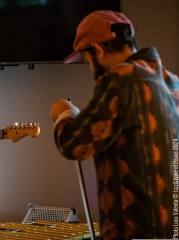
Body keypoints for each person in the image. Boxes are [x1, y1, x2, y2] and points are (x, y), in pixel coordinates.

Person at [50, 10, 179, 239]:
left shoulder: (118, 79)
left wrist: (65, 113)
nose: (89, 68)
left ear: (98, 50)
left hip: (130, 231)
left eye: (87, 62)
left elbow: (74, 145)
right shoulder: (172, 83)